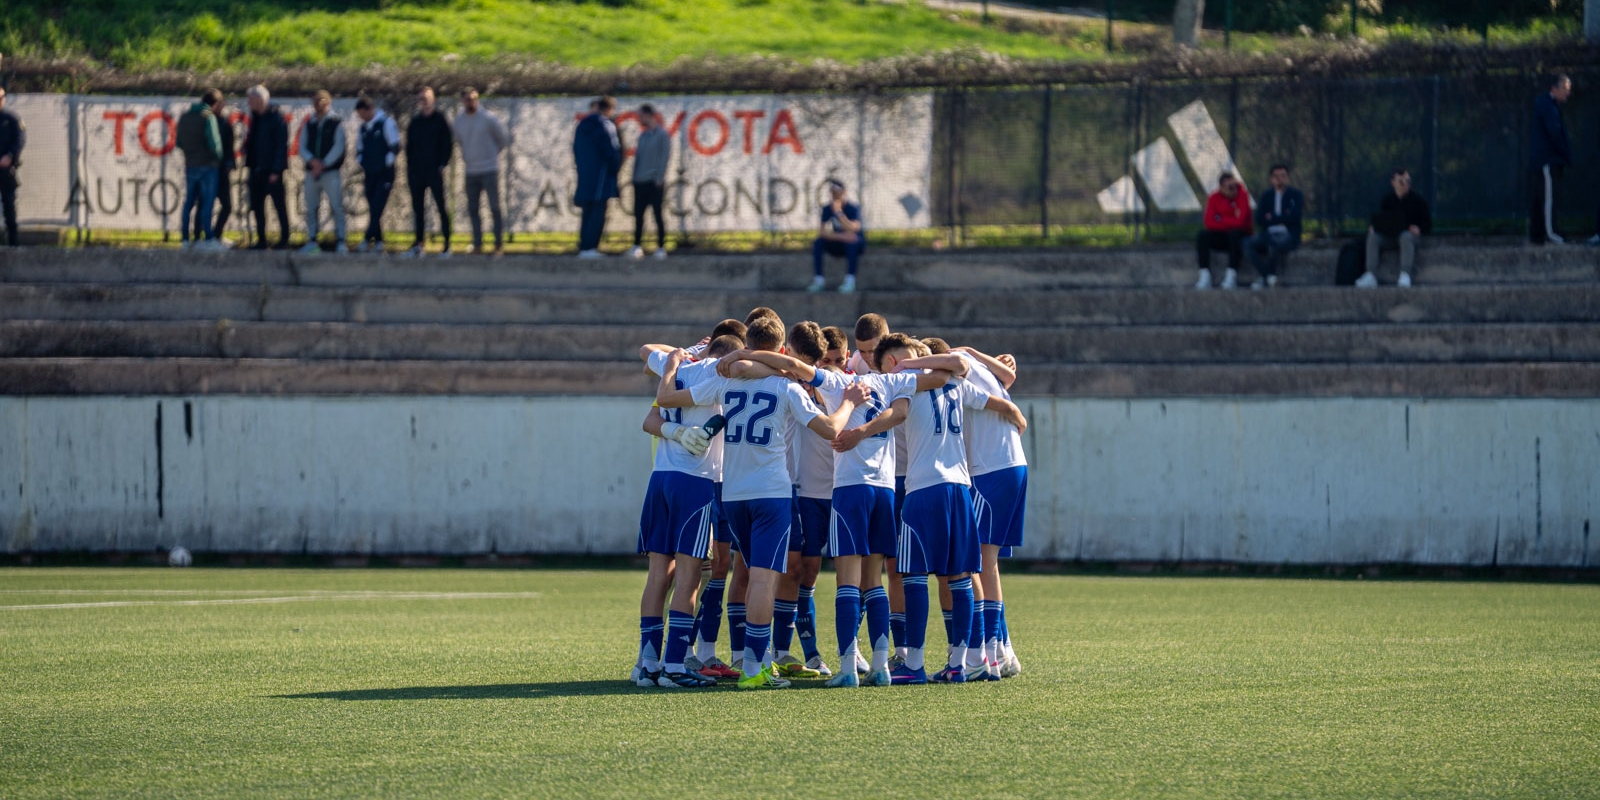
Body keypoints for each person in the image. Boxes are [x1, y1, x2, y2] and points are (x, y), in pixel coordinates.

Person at [656, 316, 865, 690]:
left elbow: (667, 399)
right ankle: (754, 668)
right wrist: (849, 402)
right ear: (782, 349)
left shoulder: (726, 380)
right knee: (765, 580)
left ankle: (746, 659)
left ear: (748, 343)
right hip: (771, 493)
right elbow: (832, 430)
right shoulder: (787, 387)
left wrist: (672, 368)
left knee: (749, 574)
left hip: (733, 494)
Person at [875, 335, 1027, 684]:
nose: (893, 369)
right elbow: (968, 375)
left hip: (923, 488)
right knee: (960, 575)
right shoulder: (955, 383)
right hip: (959, 486)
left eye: (894, 361)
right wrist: (1014, 411)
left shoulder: (901, 383)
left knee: (913, 575)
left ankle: (914, 663)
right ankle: (969, 660)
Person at [629, 335, 739, 689]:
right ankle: (675, 664)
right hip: (696, 482)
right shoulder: (722, 374)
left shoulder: (679, 365)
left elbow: (646, 350)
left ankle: (648, 664)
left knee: (658, 573)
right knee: (691, 575)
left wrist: (683, 353)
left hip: (660, 477)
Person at [453, 87, 511, 256]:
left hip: (489, 169)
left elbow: (502, 140)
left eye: (473, 99)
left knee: (494, 207)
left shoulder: (488, 118)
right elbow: (460, 141)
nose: (470, 102)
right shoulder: (458, 121)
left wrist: (490, 156)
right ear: (462, 101)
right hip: (470, 170)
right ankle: (477, 244)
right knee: (473, 208)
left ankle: (498, 244)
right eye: (467, 99)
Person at [1359, 169, 1432, 288]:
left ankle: (1405, 274)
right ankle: (1370, 275)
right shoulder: (1388, 200)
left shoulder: (1418, 201)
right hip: (1390, 236)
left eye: (1408, 181)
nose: (1405, 184)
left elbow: (1428, 224)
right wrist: (1375, 227)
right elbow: (1381, 219)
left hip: (1408, 238)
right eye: (1401, 181)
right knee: (1373, 238)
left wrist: (1419, 229)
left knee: (1405, 236)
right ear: (1393, 182)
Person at [404, 87, 454, 259]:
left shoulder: (440, 119)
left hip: (434, 171)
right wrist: (410, 169)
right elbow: (409, 147)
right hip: (417, 172)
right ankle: (419, 244)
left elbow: (447, 143)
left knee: (441, 207)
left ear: (433, 100)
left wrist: (442, 164)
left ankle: (447, 245)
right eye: (421, 99)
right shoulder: (415, 121)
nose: (423, 102)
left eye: (426, 99)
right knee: (418, 209)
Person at [298, 90, 348, 254]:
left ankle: (341, 239)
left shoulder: (335, 122)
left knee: (336, 206)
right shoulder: (309, 123)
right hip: (312, 172)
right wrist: (312, 161)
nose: (318, 106)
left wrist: (323, 164)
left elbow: (338, 147)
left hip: (330, 172)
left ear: (328, 103)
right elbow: (302, 146)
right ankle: (312, 240)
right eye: (316, 102)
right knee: (311, 207)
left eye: (321, 102)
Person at [242, 85, 290, 250]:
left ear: (260, 100)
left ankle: (284, 238)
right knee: (257, 207)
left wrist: (277, 170)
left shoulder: (276, 118)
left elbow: (280, 146)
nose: (248, 103)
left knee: (279, 206)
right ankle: (261, 239)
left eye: (251, 100)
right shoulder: (255, 118)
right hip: (256, 170)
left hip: (271, 171)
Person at [573, 96, 621, 258]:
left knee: (587, 211)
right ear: (609, 109)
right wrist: (615, 169)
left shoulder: (582, 125)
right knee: (598, 212)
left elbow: (575, 149)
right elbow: (612, 151)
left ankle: (584, 246)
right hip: (601, 175)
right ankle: (591, 247)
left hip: (585, 174)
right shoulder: (605, 125)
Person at [175, 89, 223, 251]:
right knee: (207, 203)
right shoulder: (208, 117)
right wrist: (218, 158)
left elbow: (179, 142)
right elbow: (215, 144)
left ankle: (185, 238)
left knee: (188, 202)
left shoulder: (185, 117)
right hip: (208, 166)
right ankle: (209, 237)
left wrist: (190, 153)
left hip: (190, 165)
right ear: (214, 104)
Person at [1529, 74, 1572, 246]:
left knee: (1543, 197)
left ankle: (1538, 235)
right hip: (1548, 160)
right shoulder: (1547, 106)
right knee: (1548, 198)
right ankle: (1552, 233)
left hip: (1548, 159)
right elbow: (1554, 133)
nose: (1568, 93)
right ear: (1554, 89)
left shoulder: (1549, 105)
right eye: (1565, 89)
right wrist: (1564, 153)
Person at [354, 97, 401, 253]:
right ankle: (379, 241)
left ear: (370, 110)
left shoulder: (385, 123)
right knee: (373, 206)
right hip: (369, 173)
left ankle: (367, 238)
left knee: (377, 206)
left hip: (384, 174)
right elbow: (359, 148)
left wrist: (385, 162)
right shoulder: (363, 128)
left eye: (362, 114)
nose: (361, 117)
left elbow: (395, 146)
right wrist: (362, 160)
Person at [1244, 164, 1303, 289]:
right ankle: (1268, 276)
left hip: (1287, 234)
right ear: (1271, 179)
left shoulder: (1296, 195)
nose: (1279, 179)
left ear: (1287, 178)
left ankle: (1264, 278)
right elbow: (1259, 219)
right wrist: (1283, 217)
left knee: (1274, 243)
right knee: (1246, 243)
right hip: (1268, 233)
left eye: (1283, 176)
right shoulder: (1266, 196)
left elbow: (1295, 217)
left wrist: (1273, 217)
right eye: (1276, 176)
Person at [1195, 173, 1252, 290]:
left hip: (1241, 236)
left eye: (1234, 186)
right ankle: (1205, 275)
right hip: (1222, 236)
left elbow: (1241, 222)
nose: (1232, 190)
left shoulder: (1243, 195)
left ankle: (1231, 275)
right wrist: (1232, 219)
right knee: (1202, 235)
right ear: (1221, 188)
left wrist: (1220, 218)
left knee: (1235, 233)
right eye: (1229, 187)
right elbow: (1209, 222)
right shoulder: (1214, 197)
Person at [808, 179, 865, 294]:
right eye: (832, 191)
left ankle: (850, 281)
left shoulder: (852, 207)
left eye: (837, 191)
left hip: (854, 244)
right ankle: (819, 281)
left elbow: (854, 228)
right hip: (841, 241)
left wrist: (839, 214)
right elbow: (822, 232)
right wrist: (842, 236)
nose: (834, 194)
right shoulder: (827, 208)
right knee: (818, 243)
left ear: (843, 192)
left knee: (852, 243)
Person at [629, 103, 670, 260]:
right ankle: (637, 245)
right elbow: (638, 159)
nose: (639, 119)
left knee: (657, 214)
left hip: (654, 182)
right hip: (639, 181)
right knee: (638, 215)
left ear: (649, 115)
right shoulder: (643, 135)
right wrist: (634, 177)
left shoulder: (662, 134)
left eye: (641, 115)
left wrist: (659, 178)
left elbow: (664, 157)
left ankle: (661, 247)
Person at [0, 88, 22, 247]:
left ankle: (13, 243)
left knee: (9, 205)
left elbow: (20, 139)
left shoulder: (11, 119)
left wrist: (10, 156)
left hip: (6, 170)